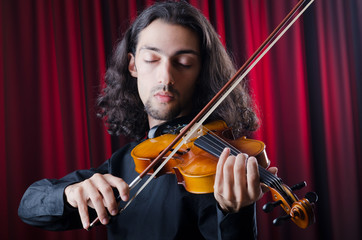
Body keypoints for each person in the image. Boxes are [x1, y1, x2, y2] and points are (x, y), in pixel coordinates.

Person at [18, 1, 277, 239]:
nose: (165, 77)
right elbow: (29, 205)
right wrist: (70, 193)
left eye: (184, 62)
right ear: (133, 66)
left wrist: (235, 214)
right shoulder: (121, 165)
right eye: (152, 59)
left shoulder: (218, 169)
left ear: (201, 72)